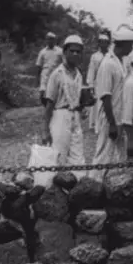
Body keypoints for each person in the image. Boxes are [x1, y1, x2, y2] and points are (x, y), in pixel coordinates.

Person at [93, 26, 133, 180]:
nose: (132, 48)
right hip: (109, 116)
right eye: (130, 44)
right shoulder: (107, 64)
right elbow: (105, 96)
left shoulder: (121, 62)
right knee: (104, 153)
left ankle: (117, 186)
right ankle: (94, 184)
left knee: (121, 156)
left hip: (120, 116)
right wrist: (112, 123)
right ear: (123, 44)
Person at [42, 34, 87, 167]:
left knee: (78, 157)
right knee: (59, 155)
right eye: (71, 51)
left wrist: (84, 105)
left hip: (75, 117)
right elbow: (49, 104)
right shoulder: (57, 74)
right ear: (65, 52)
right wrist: (45, 130)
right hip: (60, 116)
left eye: (78, 52)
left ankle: (77, 184)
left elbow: (78, 100)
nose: (75, 54)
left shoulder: (78, 74)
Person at [86, 32, 111, 135]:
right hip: (98, 83)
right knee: (98, 105)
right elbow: (92, 71)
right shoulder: (95, 56)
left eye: (106, 42)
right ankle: (97, 126)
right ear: (99, 43)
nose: (104, 44)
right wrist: (91, 85)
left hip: (109, 83)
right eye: (102, 42)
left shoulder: (110, 55)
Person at [34, 33, 63, 105]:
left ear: (55, 40)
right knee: (42, 94)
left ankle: (54, 108)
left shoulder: (60, 51)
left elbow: (64, 63)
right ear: (46, 40)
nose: (50, 41)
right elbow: (38, 66)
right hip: (45, 76)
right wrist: (37, 80)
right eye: (48, 39)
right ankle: (46, 108)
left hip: (57, 76)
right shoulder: (42, 52)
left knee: (55, 93)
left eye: (52, 39)